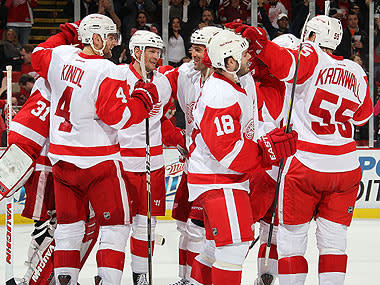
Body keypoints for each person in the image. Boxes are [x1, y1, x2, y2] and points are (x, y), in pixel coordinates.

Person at [227, 15, 373, 284]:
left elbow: (285, 65)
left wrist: (259, 44)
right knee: (334, 245)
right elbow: (363, 116)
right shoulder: (357, 71)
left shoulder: (309, 55)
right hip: (347, 167)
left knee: (291, 240)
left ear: (313, 37)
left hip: (306, 163)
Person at [31, 14, 159, 284]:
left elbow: (37, 53)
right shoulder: (106, 69)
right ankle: (107, 280)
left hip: (63, 161)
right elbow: (119, 117)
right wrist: (141, 101)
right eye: (110, 36)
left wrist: (65, 34)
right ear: (95, 38)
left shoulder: (60, 55)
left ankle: (66, 279)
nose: (114, 42)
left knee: (69, 226)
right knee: (116, 226)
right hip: (98, 163)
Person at [186, 29, 298, 285]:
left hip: (224, 178)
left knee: (216, 247)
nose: (250, 58)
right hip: (220, 179)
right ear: (229, 62)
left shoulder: (234, 81)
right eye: (244, 54)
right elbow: (228, 150)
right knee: (234, 246)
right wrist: (266, 151)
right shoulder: (220, 94)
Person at [8, 77, 99, 284]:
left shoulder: (70, 80)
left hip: (63, 161)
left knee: (66, 225)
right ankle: (33, 278)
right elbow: (28, 126)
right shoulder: (47, 83)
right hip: (45, 161)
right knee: (47, 226)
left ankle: (48, 276)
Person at [117, 30, 177, 285]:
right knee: (116, 228)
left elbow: (160, 120)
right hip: (121, 162)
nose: (157, 56)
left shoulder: (162, 82)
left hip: (153, 164)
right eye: (152, 51)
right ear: (137, 52)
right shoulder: (117, 76)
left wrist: (179, 139)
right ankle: (107, 277)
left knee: (147, 226)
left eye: (158, 52)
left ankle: (140, 278)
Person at [165, 25, 222, 285]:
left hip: (214, 169)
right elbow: (161, 85)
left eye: (198, 49)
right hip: (191, 166)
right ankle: (185, 278)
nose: (193, 55)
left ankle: (200, 281)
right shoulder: (186, 73)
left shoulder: (228, 80)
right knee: (185, 228)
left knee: (200, 230)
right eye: (192, 49)